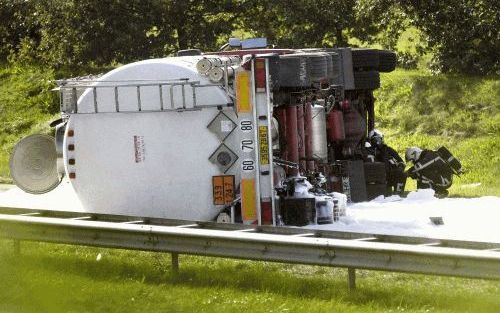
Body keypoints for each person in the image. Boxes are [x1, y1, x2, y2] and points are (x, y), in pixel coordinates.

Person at [366, 129, 406, 195]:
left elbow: (401, 162)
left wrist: (400, 168)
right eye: (376, 139)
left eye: (379, 139)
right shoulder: (367, 151)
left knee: (402, 174)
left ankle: (398, 194)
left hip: (389, 176)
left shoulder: (388, 150)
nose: (378, 141)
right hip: (375, 178)